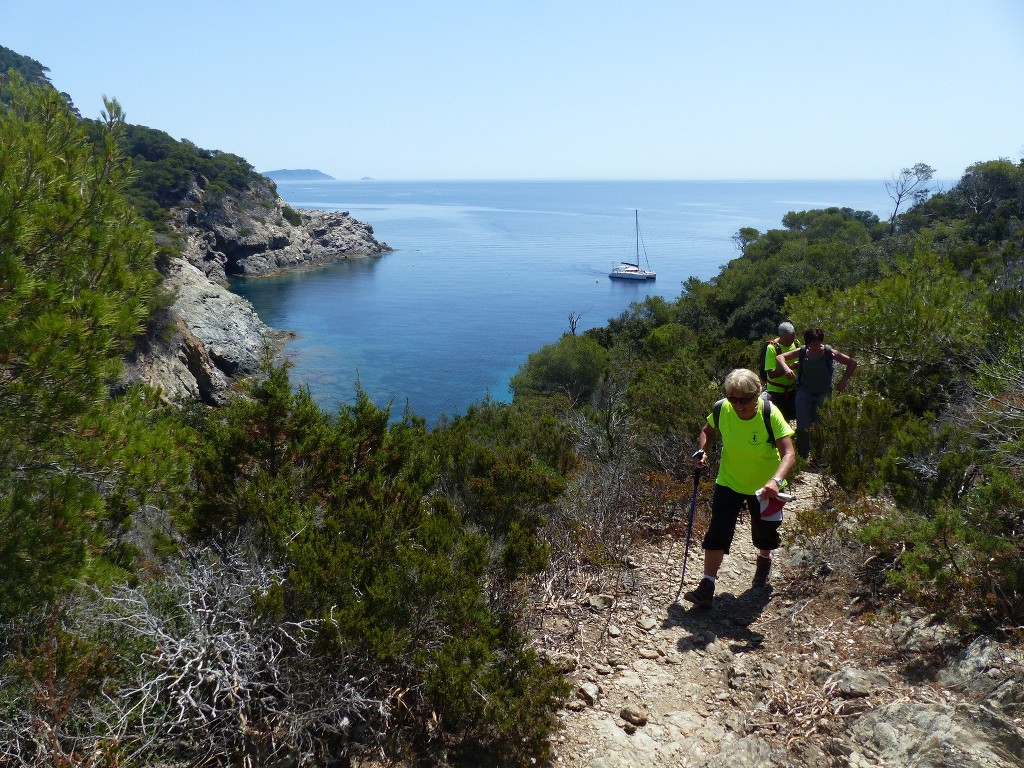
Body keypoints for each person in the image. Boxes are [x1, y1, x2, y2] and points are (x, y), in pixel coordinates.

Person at [684, 369, 796, 608]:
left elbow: (789, 453)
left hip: (764, 488)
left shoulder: (769, 413)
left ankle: (764, 559)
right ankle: (707, 585)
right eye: (733, 399)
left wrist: (775, 480)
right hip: (729, 481)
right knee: (717, 531)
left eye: (744, 400)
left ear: (757, 395)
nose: (737, 405)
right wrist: (703, 450)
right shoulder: (721, 408)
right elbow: (707, 430)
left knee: (764, 533)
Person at [774, 327, 857, 460]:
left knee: (821, 425)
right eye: (811, 344)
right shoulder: (802, 351)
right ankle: (802, 456)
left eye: (818, 344)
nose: (815, 347)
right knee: (802, 425)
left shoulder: (829, 352)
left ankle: (819, 457)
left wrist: (843, 381)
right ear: (807, 343)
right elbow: (780, 357)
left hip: (823, 394)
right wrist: (786, 368)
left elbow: (852, 363)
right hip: (804, 394)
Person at [762, 321, 800, 421]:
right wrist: (791, 367)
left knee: (795, 418)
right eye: (787, 340)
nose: (789, 342)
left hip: (792, 389)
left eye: (792, 339)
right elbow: (771, 374)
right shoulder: (772, 348)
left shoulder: (796, 343)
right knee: (779, 420)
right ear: (780, 336)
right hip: (776, 392)